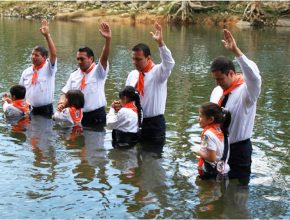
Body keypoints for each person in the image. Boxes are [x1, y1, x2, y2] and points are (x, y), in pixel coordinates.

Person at [209, 29, 262, 185]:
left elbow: (255, 78)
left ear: (231, 73)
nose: (217, 83)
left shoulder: (247, 92)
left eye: (220, 79)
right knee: (218, 187)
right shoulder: (217, 91)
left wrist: (236, 51)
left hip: (239, 150)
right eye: (215, 79)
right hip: (219, 148)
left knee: (238, 193)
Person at [125, 22, 175, 147]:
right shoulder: (132, 75)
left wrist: (160, 44)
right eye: (133, 58)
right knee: (135, 157)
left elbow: (169, 63)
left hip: (154, 123)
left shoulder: (158, 72)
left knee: (153, 160)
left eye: (138, 59)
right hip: (134, 121)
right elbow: (127, 98)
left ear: (148, 58)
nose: (134, 62)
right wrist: (120, 105)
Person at [59, 22, 111, 129]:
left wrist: (108, 40)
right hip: (77, 115)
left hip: (96, 115)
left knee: (94, 144)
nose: (79, 61)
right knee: (77, 143)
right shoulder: (74, 75)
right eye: (77, 59)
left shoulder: (98, 71)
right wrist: (62, 103)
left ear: (91, 59)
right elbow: (65, 93)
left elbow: (104, 58)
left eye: (82, 59)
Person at [19, 19, 57, 117]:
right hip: (29, 109)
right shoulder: (26, 72)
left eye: (36, 55)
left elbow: (53, 54)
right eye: (32, 54)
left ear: (44, 57)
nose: (33, 57)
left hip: (45, 110)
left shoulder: (49, 69)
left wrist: (47, 36)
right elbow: (20, 92)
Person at [192, 102, 231, 180]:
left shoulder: (208, 134)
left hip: (211, 173)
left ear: (211, 119)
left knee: (206, 192)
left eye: (200, 116)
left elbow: (211, 158)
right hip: (223, 170)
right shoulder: (222, 130)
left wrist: (198, 151)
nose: (198, 119)